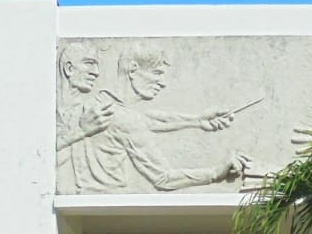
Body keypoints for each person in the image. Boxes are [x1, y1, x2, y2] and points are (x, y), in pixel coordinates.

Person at [75, 46, 249, 192]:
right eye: (157, 73)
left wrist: (196, 120)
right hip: (114, 200)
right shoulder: (126, 120)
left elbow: (148, 120)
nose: (163, 82)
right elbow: (164, 179)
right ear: (133, 69)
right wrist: (215, 173)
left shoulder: (97, 102)